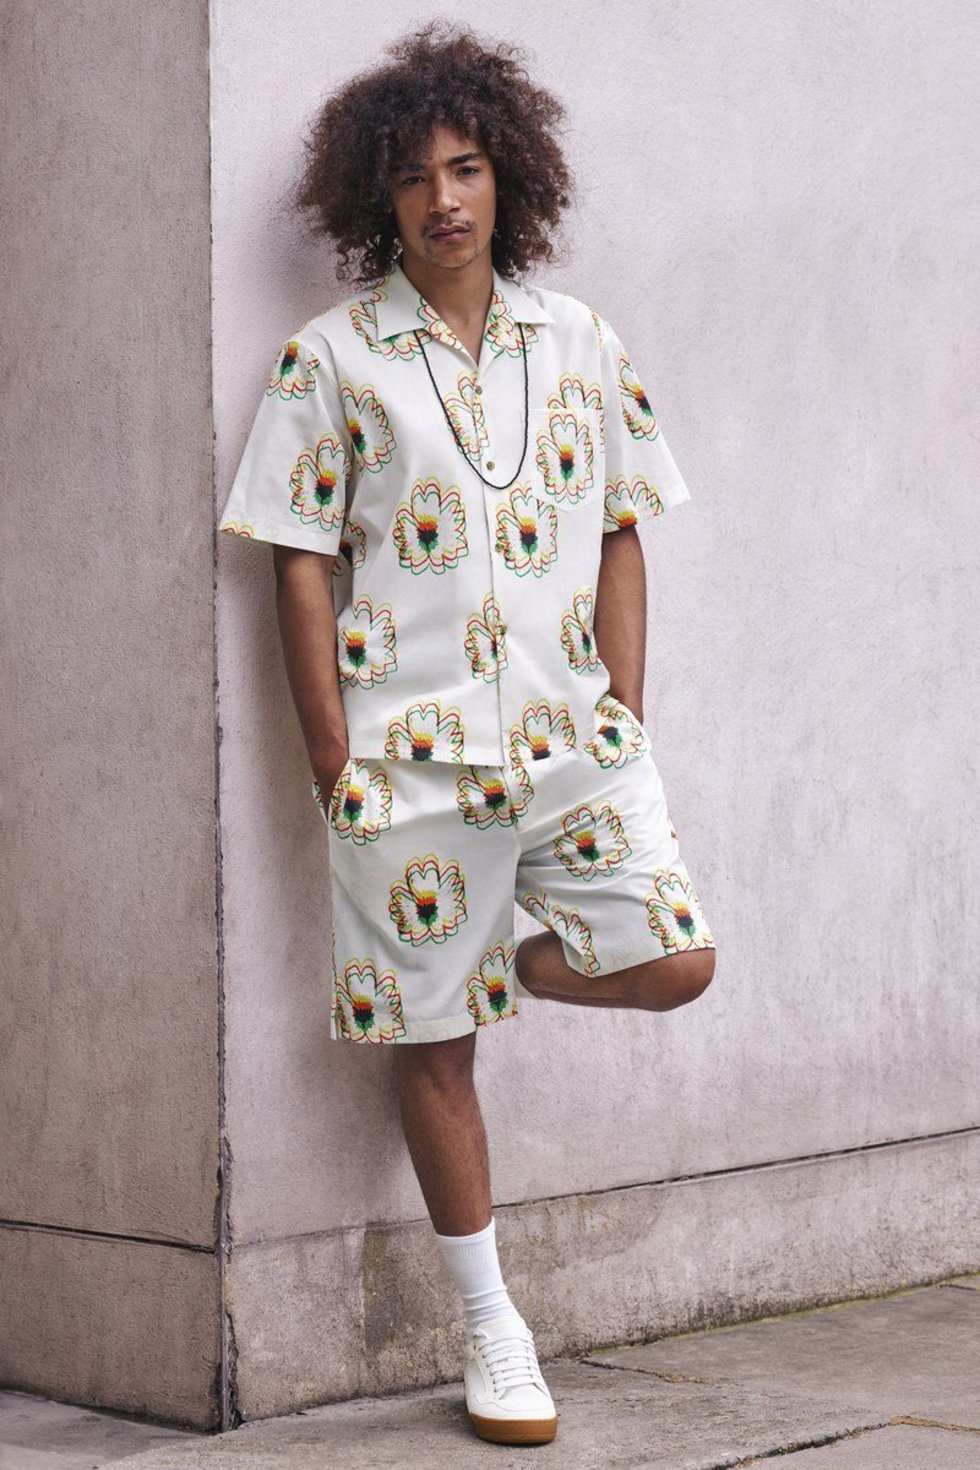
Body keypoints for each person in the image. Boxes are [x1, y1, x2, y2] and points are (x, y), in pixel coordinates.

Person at [218, 19, 716, 1447]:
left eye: (467, 168)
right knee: (434, 1047)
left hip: (571, 746)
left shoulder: (581, 340)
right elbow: (297, 559)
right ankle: (495, 1329)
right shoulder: (331, 360)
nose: (443, 199)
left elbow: (622, 526)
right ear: (376, 194)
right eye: (415, 175)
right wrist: (334, 761)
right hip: (408, 761)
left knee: (676, 960)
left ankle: (491, 959)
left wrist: (625, 712)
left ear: (510, 179)